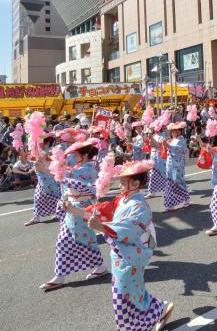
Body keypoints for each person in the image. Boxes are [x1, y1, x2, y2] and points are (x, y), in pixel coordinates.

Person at [78, 160, 174, 331]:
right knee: (134, 291)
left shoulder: (139, 205)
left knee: (123, 297)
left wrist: (101, 227)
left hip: (132, 255)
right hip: (121, 254)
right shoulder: (123, 199)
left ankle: (133, 327)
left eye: (124, 181)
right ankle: (160, 308)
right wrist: (75, 210)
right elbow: (105, 209)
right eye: (121, 180)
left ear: (136, 183)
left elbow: (128, 228)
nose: (120, 184)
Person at [39, 142, 107, 291]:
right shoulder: (79, 168)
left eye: (77, 154)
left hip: (81, 208)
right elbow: (65, 176)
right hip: (73, 208)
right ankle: (100, 266)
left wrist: (51, 171)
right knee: (79, 240)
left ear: (84, 155)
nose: (74, 156)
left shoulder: (89, 170)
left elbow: (73, 181)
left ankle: (61, 276)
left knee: (71, 240)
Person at [154, 121, 191, 211]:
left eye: (174, 131)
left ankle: (185, 199)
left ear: (179, 131)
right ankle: (171, 203)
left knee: (177, 181)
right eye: (172, 131)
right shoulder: (173, 139)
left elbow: (179, 150)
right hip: (170, 163)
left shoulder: (181, 139)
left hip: (177, 165)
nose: (173, 132)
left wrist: (168, 145)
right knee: (170, 182)